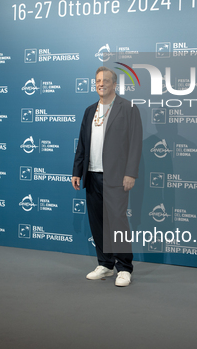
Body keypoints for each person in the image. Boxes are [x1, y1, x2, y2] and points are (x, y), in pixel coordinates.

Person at [72, 66, 142, 287]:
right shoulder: (89, 110)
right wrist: (77, 171)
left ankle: (124, 267)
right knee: (98, 223)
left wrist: (130, 173)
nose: (101, 84)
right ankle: (105, 264)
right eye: (98, 81)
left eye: (106, 80)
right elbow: (82, 144)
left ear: (115, 84)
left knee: (118, 222)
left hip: (116, 177)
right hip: (92, 175)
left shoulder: (128, 108)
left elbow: (135, 144)